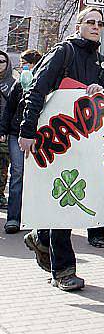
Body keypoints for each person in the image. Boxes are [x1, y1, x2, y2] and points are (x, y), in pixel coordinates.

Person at [19, 8, 104, 292]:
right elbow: (36, 90)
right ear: (78, 25)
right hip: (55, 137)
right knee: (63, 204)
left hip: (83, 140)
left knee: (67, 202)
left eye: (100, 23)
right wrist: (27, 130)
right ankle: (63, 270)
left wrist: (100, 89)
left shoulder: (101, 59)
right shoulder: (64, 52)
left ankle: (41, 236)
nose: (96, 27)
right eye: (90, 22)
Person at [0, 48, 42, 233]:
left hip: (38, 137)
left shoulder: (44, 84)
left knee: (35, 177)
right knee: (17, 174)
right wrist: (3, 129)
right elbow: (9, 109)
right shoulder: (18, 85)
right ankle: (14, 218)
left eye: (27, 63)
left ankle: (32, 217)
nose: (24, 67)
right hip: (16, 134)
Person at [0, 50, 15, 210]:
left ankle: (0, 194)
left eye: (2, 61)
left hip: (5, 131)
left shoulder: (13, 83)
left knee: (3, 166)